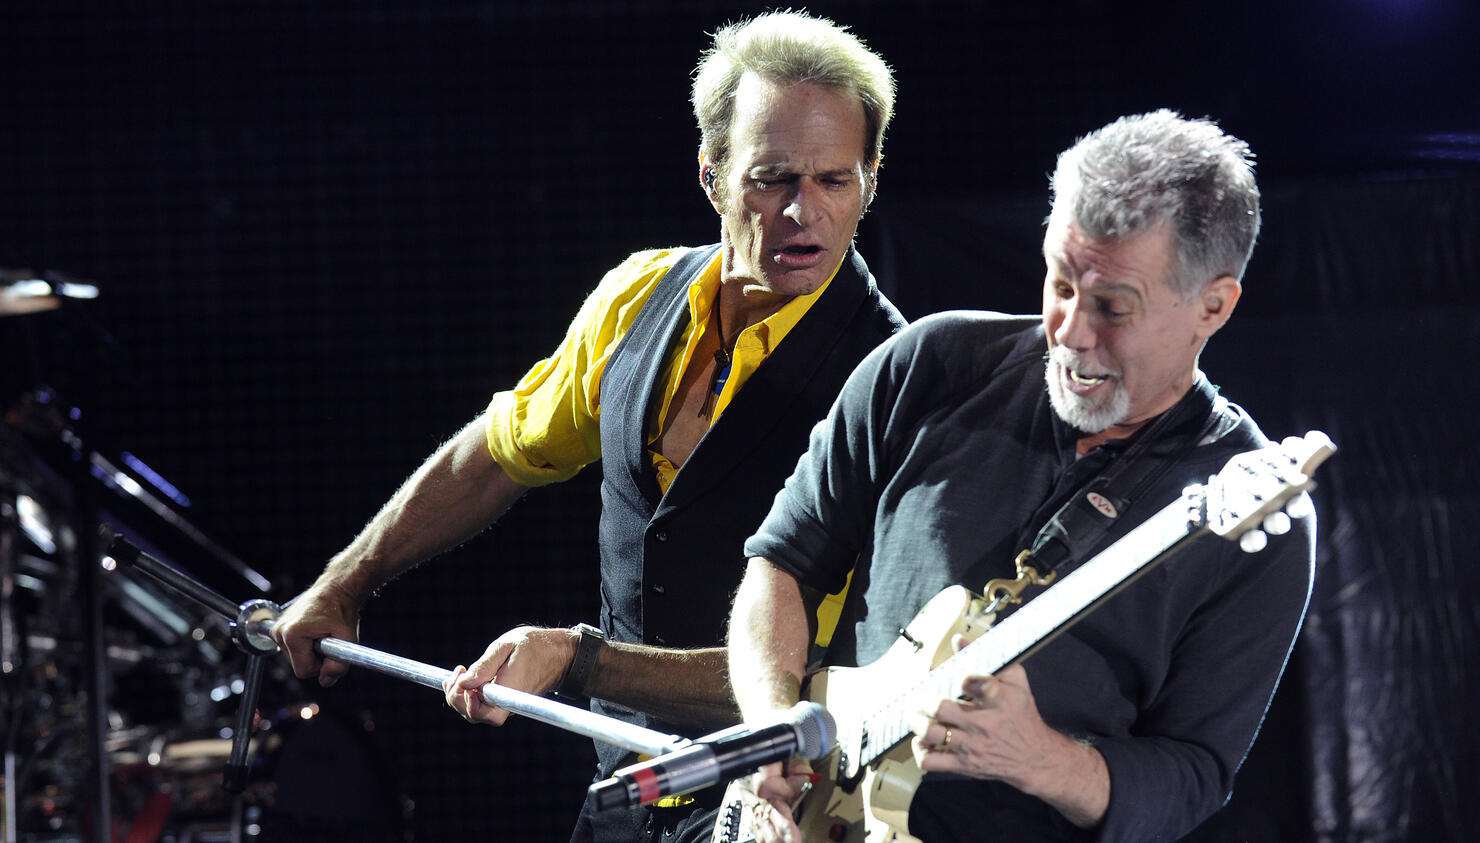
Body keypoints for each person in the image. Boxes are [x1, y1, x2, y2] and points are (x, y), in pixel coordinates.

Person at [271, 11, 906, 843]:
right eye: (772, 178)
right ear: (711, 177)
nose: (804, 212)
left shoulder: (892, 380)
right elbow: (496, 455)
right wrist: (344, 583)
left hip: (785, 811)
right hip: (623, 788)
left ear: (870, 179)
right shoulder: (637, 297)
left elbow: (826, 674)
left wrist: (581, 659)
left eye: (835, 180)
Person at [727, 110, 1316, 842]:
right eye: (1061, 282)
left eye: (1111, 307)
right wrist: (770, 728)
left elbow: (1194, 773)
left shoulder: (1251, 512)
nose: (1069, 331)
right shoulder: (926, 364)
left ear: (1214, 306)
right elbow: (782, 562)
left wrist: (1042, 759)